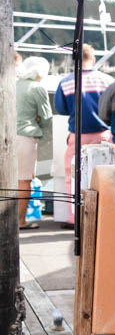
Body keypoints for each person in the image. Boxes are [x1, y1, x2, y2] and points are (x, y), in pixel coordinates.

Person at [53, 43, 113, 227]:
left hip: (78, 135)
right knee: (104, 176)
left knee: (73, 176)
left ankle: (75, 218)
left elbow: (61, 109)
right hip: (104, 134)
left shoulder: (66, 81)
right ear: (92, 59)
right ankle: (104, 216)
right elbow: (113, 108)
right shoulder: (107, 80)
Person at [15, 56, 54, 230]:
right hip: (26, 137)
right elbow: (46, 118)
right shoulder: (38, 88)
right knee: (24, 181)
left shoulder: (14, 84)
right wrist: (37, 119)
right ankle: (19, 220)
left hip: (7, 136)